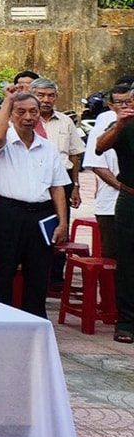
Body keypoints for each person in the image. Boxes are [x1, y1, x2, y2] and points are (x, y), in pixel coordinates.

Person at [0, 89, 70, 316]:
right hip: (6, 213)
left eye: (33, 112)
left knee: (39, 273)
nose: (28, 117)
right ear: (11, 115)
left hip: (41, 215)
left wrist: (63, 222)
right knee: (4, 271)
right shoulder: (0, 140)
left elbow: (57, 186)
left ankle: (35, 321)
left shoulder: (47, 147)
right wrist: (8, 100)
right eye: (20, 112)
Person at [94, 97, 134, 343]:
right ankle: (127, 322)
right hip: (130, 198)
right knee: (128, 261)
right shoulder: (124, 125)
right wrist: (119, 125)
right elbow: (100, 147)